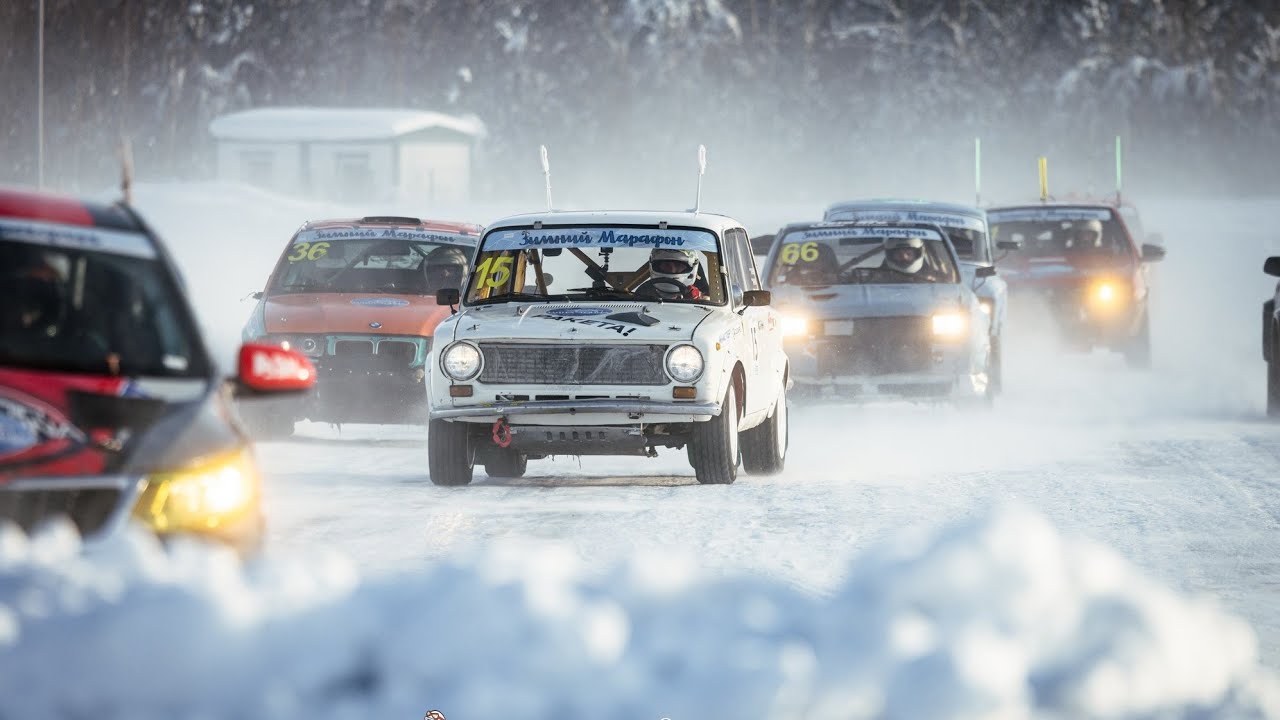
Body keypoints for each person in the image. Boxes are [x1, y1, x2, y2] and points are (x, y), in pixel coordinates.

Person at [638, 248, 706, 300]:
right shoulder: (643, 292)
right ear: (656, 266)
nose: (672, 270)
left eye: (678, 266)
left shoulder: (698, 298)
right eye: (666, 266)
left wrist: (697, 299)